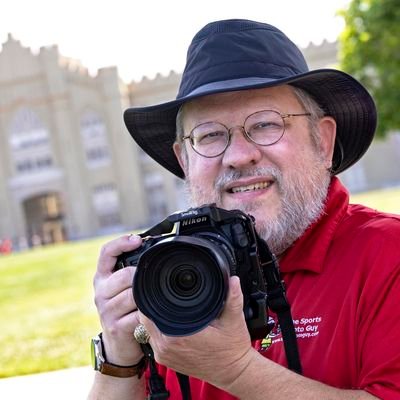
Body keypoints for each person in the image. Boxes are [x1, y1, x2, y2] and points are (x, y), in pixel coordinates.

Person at [88, 19, 400, 399]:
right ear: (184, 161)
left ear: (324, 141)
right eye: (210, 135)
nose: (238, 156)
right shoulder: (170, 275)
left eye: (267, 125)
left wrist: (235, 370)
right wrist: (119, 361)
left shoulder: (389, 256)